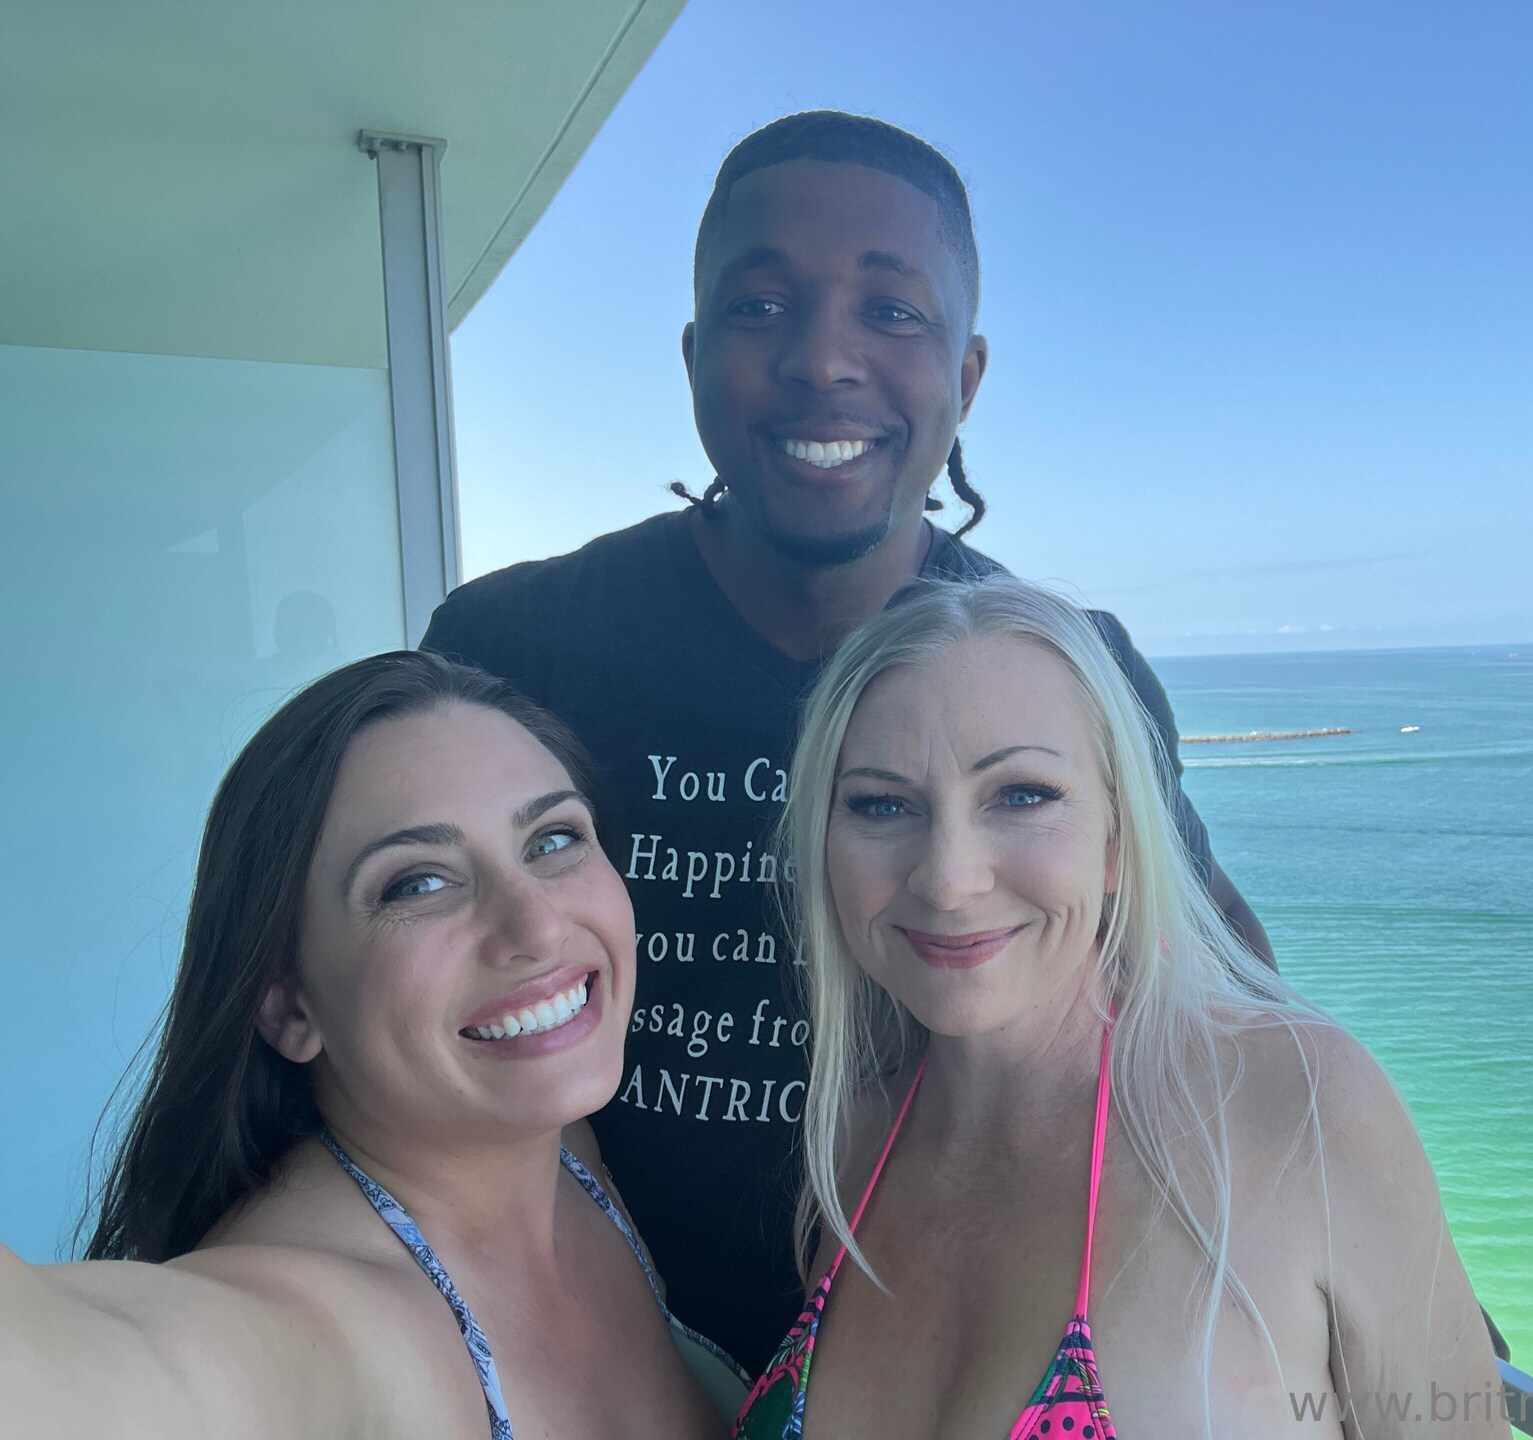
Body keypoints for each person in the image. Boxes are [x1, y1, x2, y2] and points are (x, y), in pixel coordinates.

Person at [422, 109, 1272, 1373]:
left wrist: (1378, 1290)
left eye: (892, 312)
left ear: (965, 378)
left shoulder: (1064, 677)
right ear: (695, 355)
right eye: (761, 307)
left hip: (951, 1367)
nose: (824, 360)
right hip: (566, 1362)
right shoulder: (519, 646)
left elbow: (1215, 991)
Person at [734, 575, 1507, 1439]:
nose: (948, 879)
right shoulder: (855, 1141)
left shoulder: (1299, 1111)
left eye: (1022, 794)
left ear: (1118, 837)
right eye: (881, 805)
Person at [0, 652, 744, 1439]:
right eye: (417, 882)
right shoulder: (316, 1319)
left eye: (553, 838)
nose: (538, 927)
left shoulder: (568, 1156)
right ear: (288, 1007)